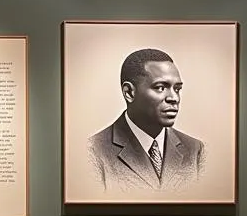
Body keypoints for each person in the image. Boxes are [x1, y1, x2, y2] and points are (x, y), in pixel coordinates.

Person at [87, 47, 204, 191]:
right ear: (129, 92)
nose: (174, 98)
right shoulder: (94, 151)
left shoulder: (195, 150)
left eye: (177, 89)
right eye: (160, 87)